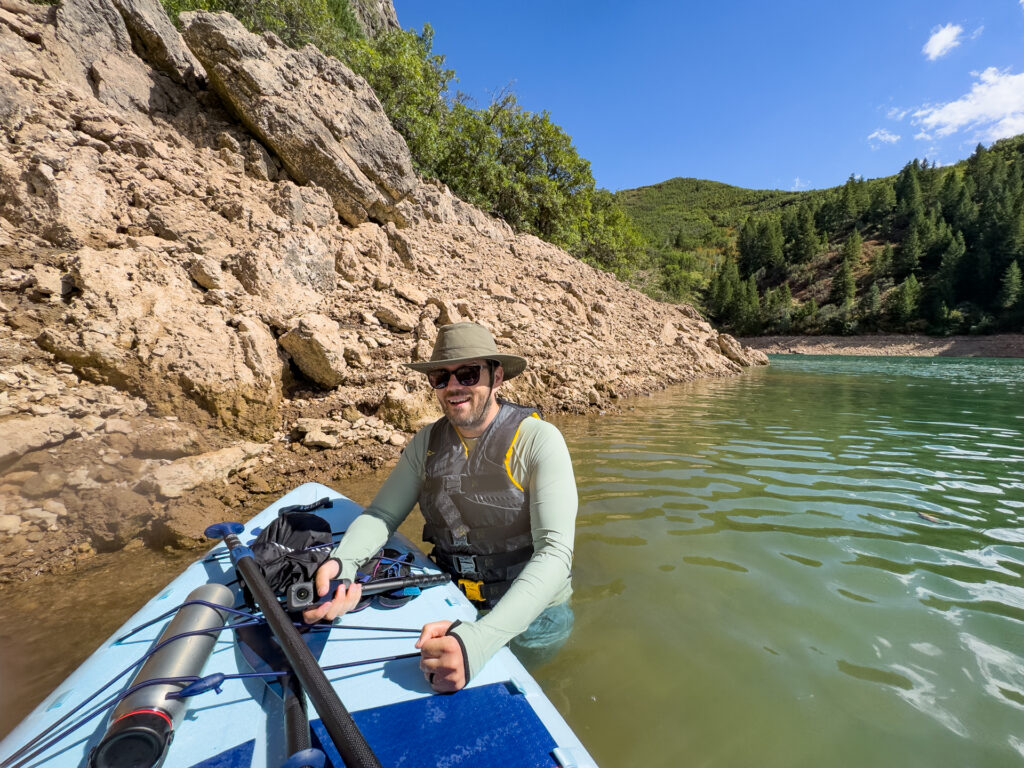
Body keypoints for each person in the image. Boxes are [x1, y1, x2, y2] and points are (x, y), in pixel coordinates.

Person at [303, 321, 577, 693]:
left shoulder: (539, 440)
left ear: (496, 377)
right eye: (440, 377)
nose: (453, 387)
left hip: (535, 612)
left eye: (467, 374)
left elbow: (555, 552)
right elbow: (383, 515)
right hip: (451, 592)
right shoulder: (426, 444)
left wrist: (481, 640)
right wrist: (344, 563)